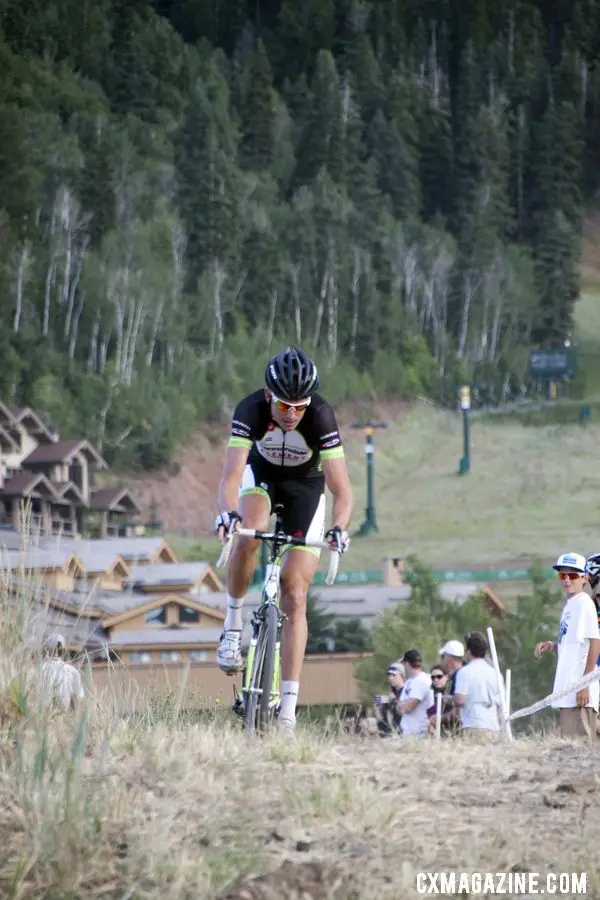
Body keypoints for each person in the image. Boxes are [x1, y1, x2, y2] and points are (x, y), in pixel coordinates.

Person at [215, 346, 354, 730]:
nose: (292, 414)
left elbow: (342, 491)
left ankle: (289, 713)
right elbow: (230, 477)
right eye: (283, 405)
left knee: (295, 593)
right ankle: (232, 626)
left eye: (299, 406)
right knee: (249, 532)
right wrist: (227, 513)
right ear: (267, 395)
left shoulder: (321, 416)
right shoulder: (249, 411)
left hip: (306, 488)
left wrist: (339, 528)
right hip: (261, 477)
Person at [535, 552, 600, 742]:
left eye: (572, 575)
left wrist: (585, 684)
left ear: (584, 578)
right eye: (562, 575)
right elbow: (576, 644)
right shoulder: (572, 605)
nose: (566, 580)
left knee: (579, 752)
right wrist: (553, 646)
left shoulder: (584, 604)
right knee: (572, 751)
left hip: (579, 690)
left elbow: (595, 643)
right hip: (569, 691)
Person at [454, 632, 502, 739]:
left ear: (469, 652)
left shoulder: (464, 672)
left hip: (473, 726)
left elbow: (460, 700)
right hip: (493, 727)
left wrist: (451, 699)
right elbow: (501, 703)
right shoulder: (495, 673)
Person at [38, 633, 85, 711]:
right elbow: (79, 699)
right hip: (65, 717)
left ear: (46, 650)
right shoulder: (72, 671)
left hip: (45, 716)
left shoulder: (40, 670)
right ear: (63, 651)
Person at [397, 649, 433, 738]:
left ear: (407, 664)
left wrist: (403, 706)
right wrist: (402, 706)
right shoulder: (409, 681)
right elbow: (399, 706)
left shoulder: (421, 681)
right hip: (407, 731)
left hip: (418, 732)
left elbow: (407, 708)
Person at [375, 661, 405, 736]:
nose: (390, 678)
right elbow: (378, 699)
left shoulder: (407, 691)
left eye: (394, 675)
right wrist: (377, 707)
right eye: (389, 675)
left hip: (405, 730)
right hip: (391, 731)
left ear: (401, 675)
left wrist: (395, 701)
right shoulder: (392, 692)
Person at [426, 664, 455, 736]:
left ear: (447, 677)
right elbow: (430, 713)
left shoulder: (454, 690)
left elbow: (457, 712)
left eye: (439, 677)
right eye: (433, 677)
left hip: (454, 730)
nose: (436, 680)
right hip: (437, 732)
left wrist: (440, 718)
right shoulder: (430, 692)